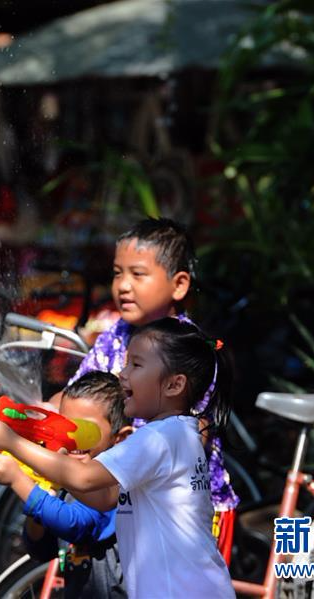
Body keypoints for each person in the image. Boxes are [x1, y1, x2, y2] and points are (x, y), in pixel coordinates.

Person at [0, 318, 235, 599]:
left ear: (174, 385)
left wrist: (10, 442)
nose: (122, 374)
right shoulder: (178, 433)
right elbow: (105, 498)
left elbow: (84, 479)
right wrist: (59, 468)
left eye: (135, 365)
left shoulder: (158, 438)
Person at [64, 218, 238, 527]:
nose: (123, 285)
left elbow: (194, 436)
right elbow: (79, 391)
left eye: (138, 274)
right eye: (118, 273)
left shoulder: (189, 349)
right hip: (129, 498)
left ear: (179, 284)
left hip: (186, 513)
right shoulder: (115, 335)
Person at [0, 371, 132, 598]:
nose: (70, 438)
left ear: (119, 438)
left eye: (83, 431)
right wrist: (44, 495)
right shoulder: (68, 473)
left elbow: (74, 524)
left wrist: (19, 481)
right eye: (63, 426)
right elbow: (41, 550)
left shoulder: (112, 483)